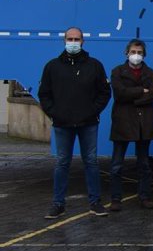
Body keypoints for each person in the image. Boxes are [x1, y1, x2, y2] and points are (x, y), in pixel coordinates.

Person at [38, 27, 111, 218]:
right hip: (62, 124)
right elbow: (44, 94)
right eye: (70, 39)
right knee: (62, 162)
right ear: (64, 41)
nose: (73, 42)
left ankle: (95, 203)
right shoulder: (52, 66)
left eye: (76, 39)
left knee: (91, 162)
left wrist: (93, 111)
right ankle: (58, 204)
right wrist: (55, 113)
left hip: (88, 123)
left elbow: (104, 92)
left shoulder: (94, 65)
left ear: (83, 41)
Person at [108, 39, 153, 212]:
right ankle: (116, 198)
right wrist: (140, 91)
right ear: (127, 53)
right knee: (117, 164)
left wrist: (133, 98)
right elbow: (119, 94)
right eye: (133, 52)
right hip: (123, 122)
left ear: (144, 54)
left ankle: (145, 196)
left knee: (144, 164)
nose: (136, 55)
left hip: (144, 123)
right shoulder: (117, 71)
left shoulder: (150, 73)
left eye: (139, 52)